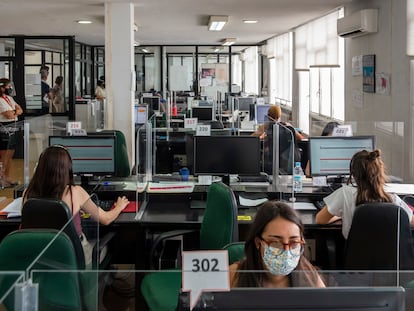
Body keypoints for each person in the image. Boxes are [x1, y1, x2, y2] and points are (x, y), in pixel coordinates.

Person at [22, 145, 129, 267]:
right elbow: (106, 219)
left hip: (41, 258)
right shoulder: (75, 192)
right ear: (66, 169)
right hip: (73, 259)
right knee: (107, 247)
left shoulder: (28, 193)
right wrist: (119, 207)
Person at [315, 149, 414, 239]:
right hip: (391, 258)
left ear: (354, 174)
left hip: (356, 257)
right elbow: (411, 222)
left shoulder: (345, 194)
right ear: (380, 173)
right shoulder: (393, 199)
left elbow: (320, 219)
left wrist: (341, 215)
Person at [230, 201, 325, 288]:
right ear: (258, 242)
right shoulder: (233, 276)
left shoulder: (310, 278)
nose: (286, 250)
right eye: (276, 242)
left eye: (294, 242)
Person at [0, 78, 23, 187]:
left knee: (10, 155)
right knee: (4, 156)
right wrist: (15, 112)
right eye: (8, 86)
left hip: (13, 128)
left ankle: (7, 178)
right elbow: (7, 115)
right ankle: (2, 179)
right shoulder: (0, 100)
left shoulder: (9, 98)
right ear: (2, 87)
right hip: (3, 129)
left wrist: (14, 112)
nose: (10, 88)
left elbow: (20, 109)